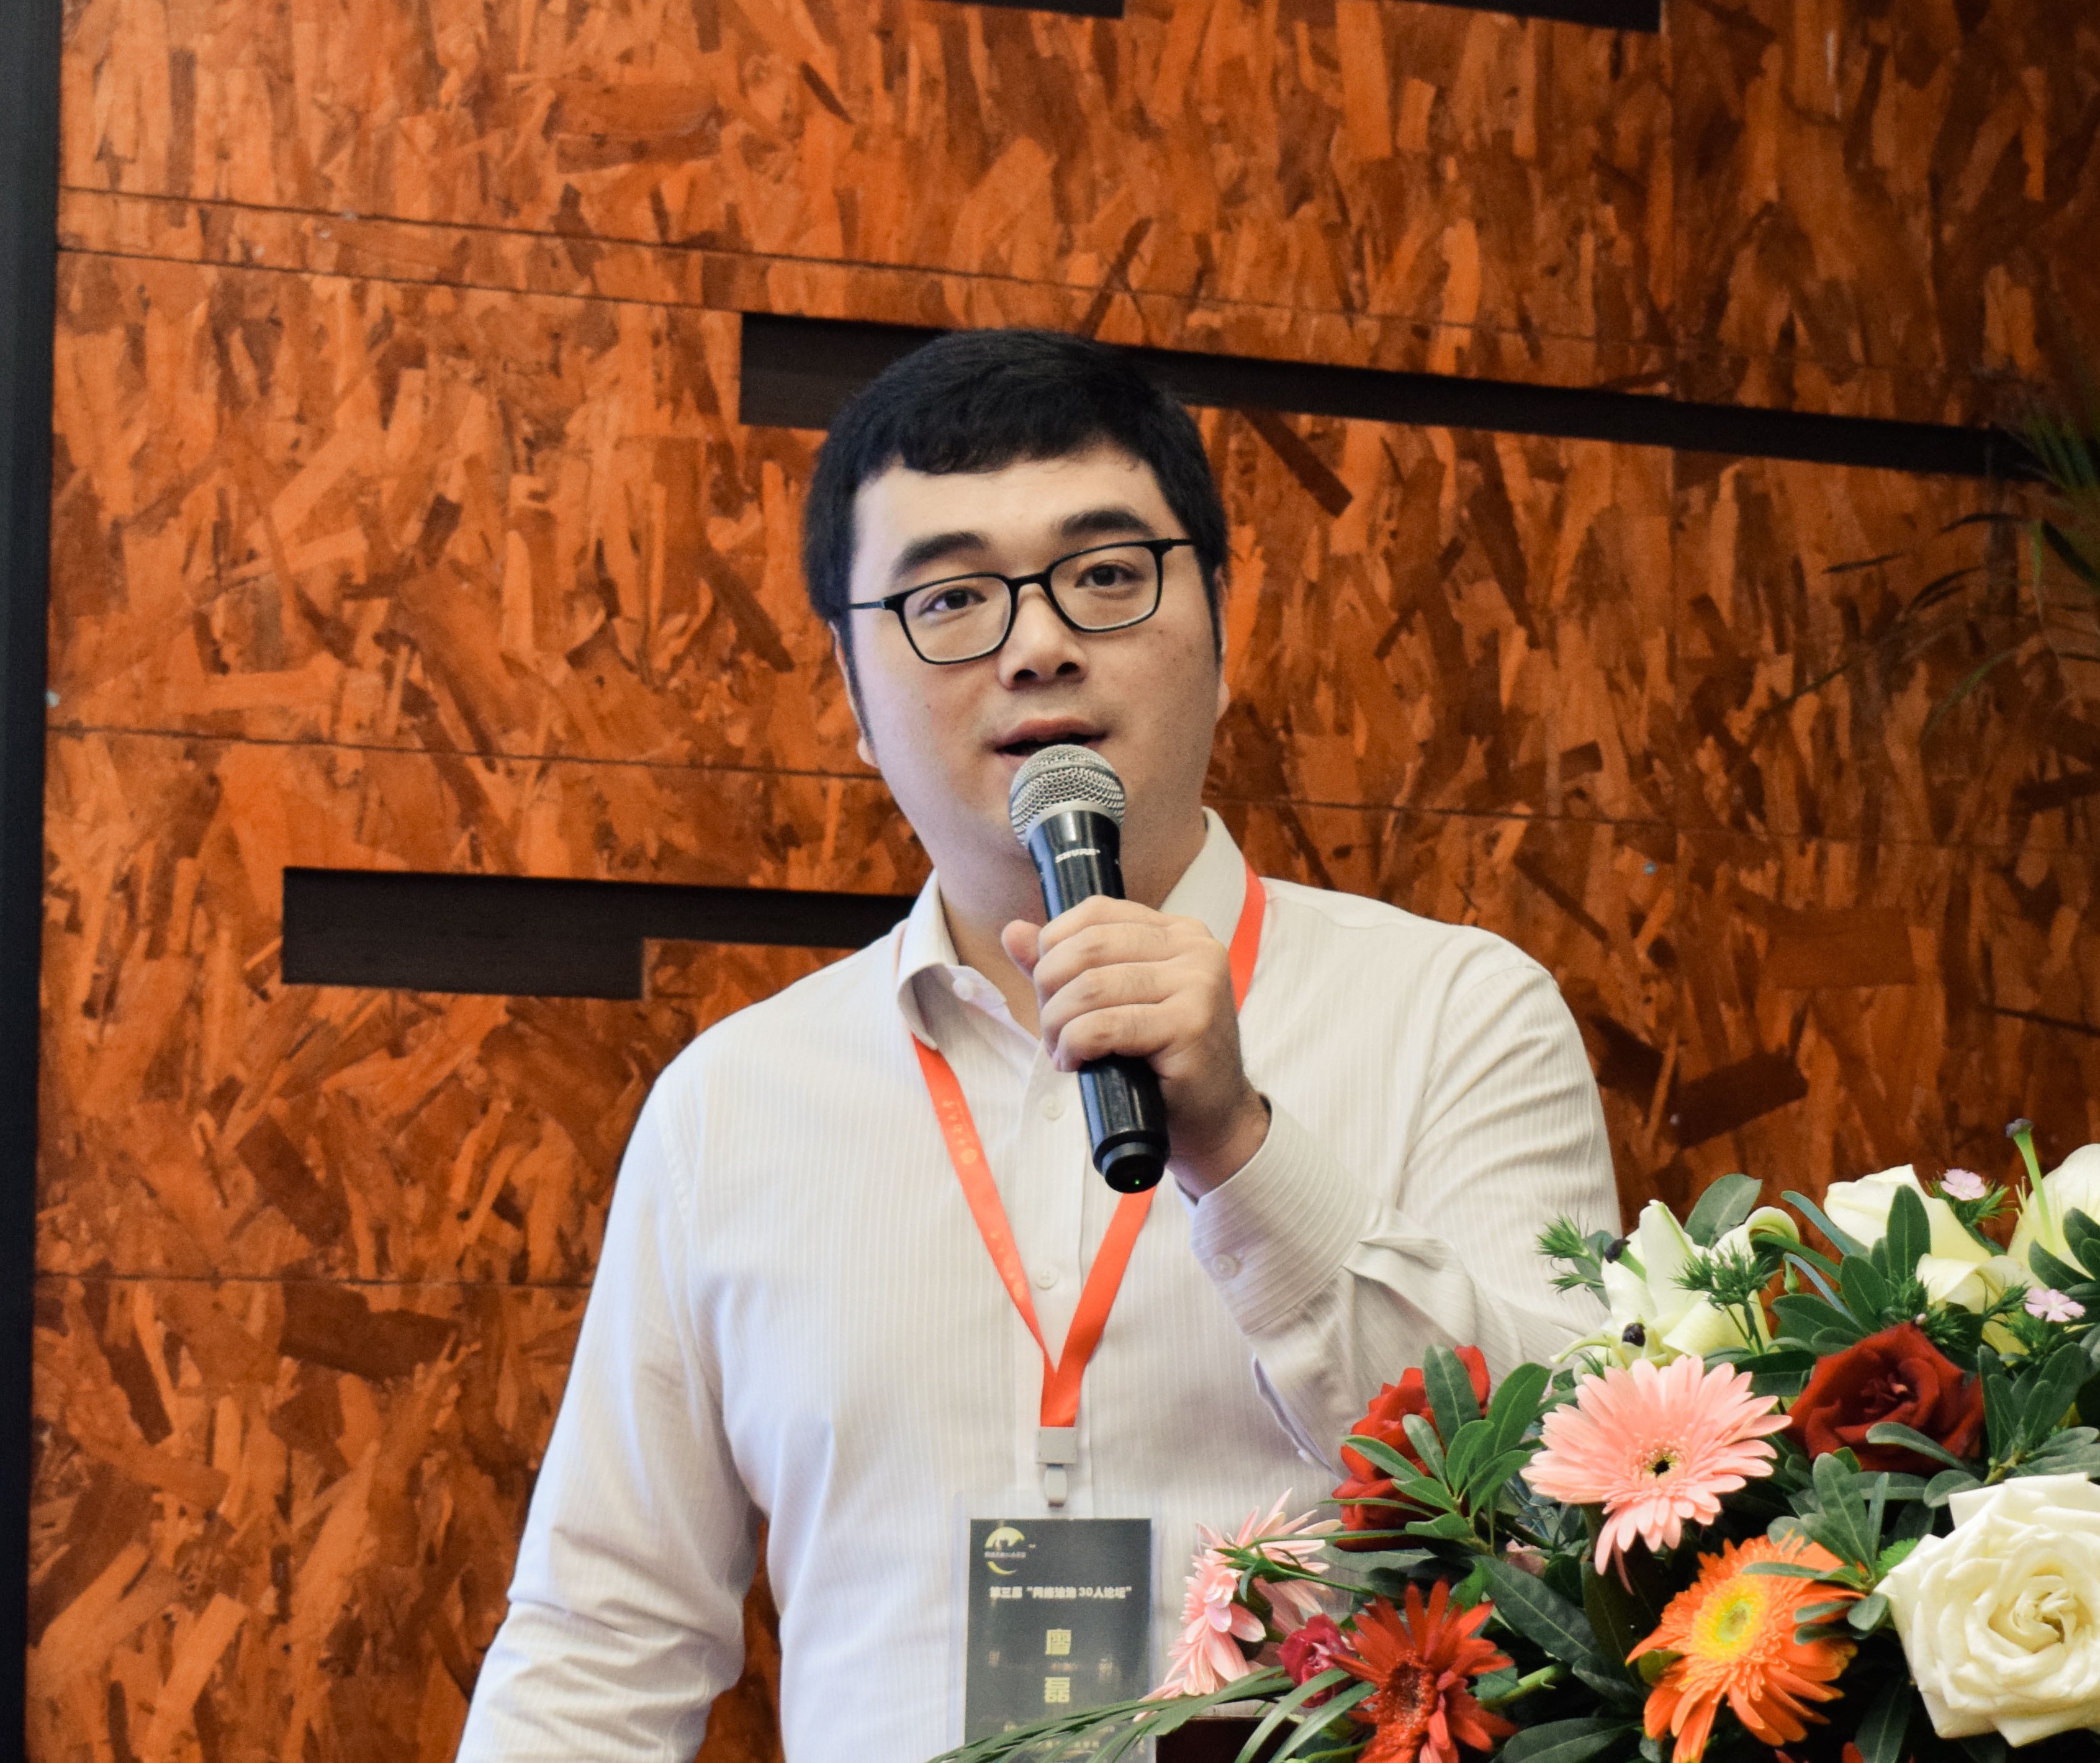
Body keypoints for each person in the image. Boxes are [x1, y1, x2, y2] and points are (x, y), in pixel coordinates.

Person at [458, 330, 1617, 1762]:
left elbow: (1576, 1525)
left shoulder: (1459, 1017)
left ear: (1221, 622)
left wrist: (1241, 1150)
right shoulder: (732, 1110)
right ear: (852, 691)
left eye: (1107, 575)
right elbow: (598, 1645)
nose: (1037, 645)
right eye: (950, 598)